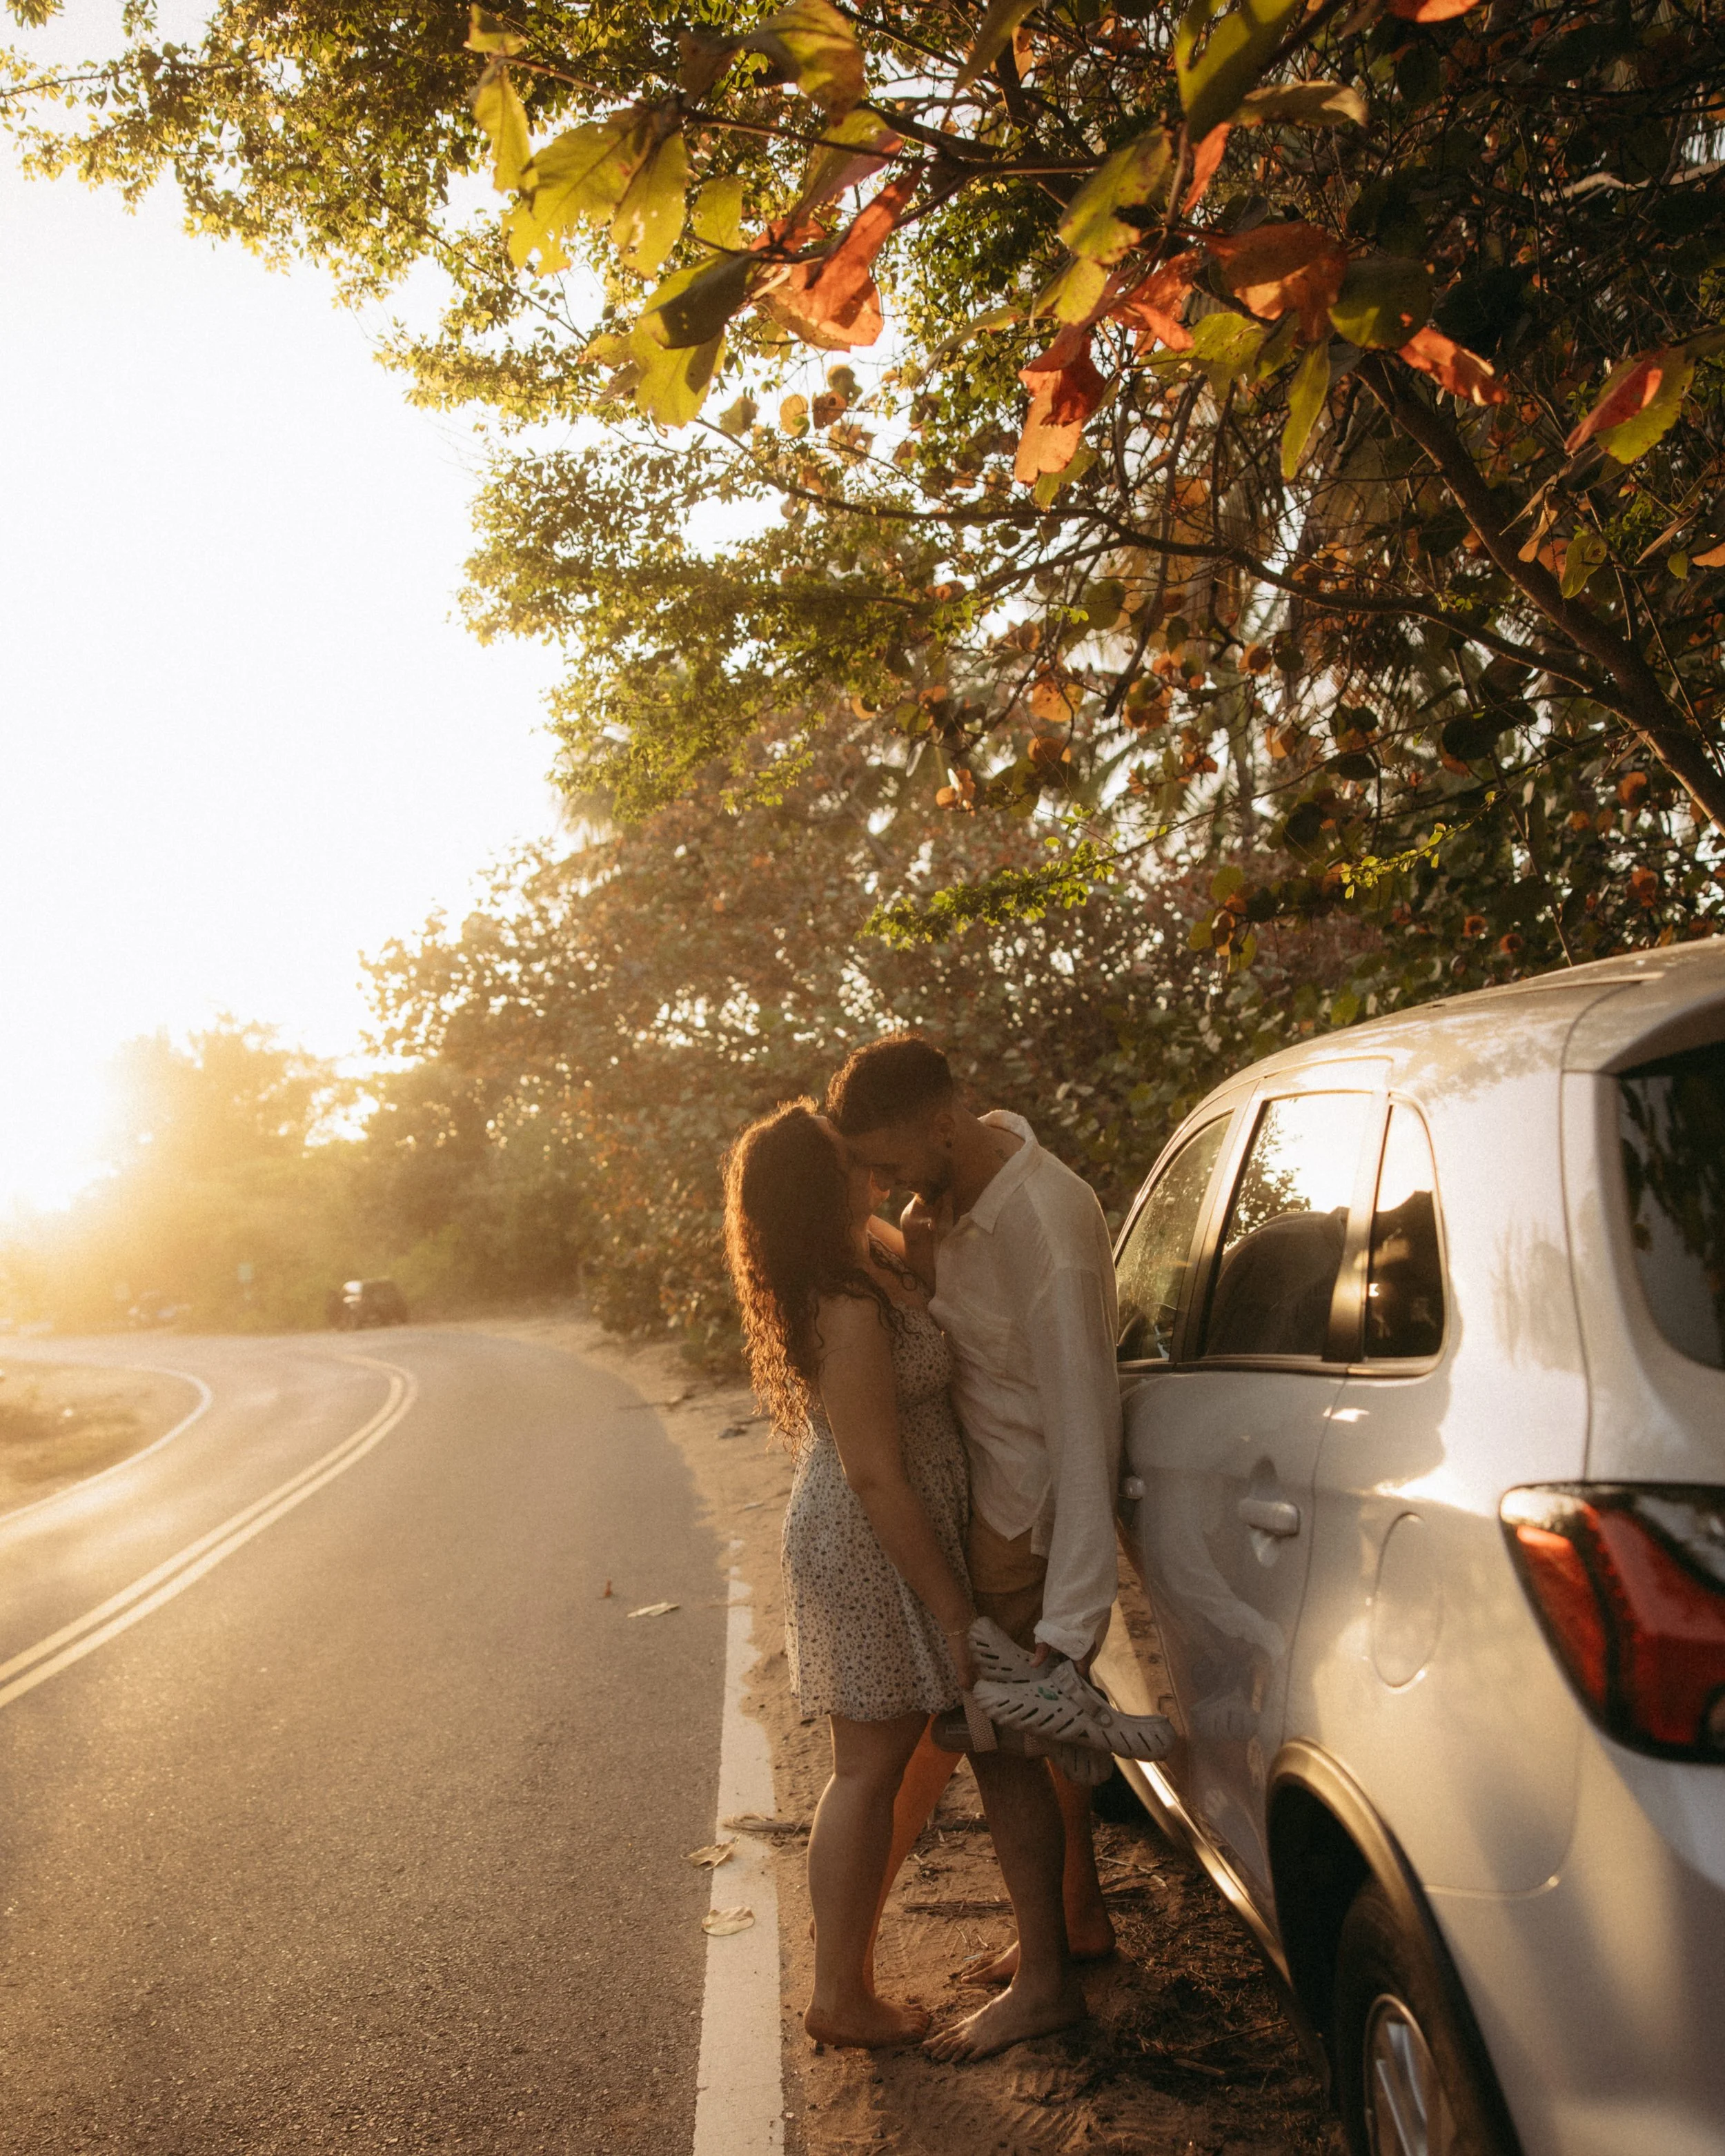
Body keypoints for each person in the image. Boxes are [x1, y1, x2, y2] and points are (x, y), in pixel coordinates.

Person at [828, 1034, 1121, 2061]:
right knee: (1012, 1751)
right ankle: (1074, 1921)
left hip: (1022, 1519)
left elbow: (1090, 1427)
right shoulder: (950, 1200)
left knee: (1001, 1755)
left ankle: (1044, 1985)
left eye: (888, 1160)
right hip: (986, 1502)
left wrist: (1073, 1631)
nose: (881, 1183)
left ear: (939, 1124)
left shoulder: (1046, 1225)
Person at [722, 1099, 976, 2050]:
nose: (871, 1168)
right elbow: (874, 1471)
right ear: (820, 1188)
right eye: (850, 1163)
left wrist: (916, 1236)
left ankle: (848, 1976)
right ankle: (842, 1995)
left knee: (905, 1753)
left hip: (883, 1531)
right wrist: (953, 1608)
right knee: (867, 1770)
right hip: (869, 1537)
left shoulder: (859, 1256)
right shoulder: (843, 1299)